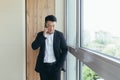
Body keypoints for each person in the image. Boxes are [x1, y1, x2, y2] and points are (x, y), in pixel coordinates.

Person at [31, 15, 68, 80]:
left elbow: (65, 50)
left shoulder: (59, 35)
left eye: (53, 25)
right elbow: (34, 47)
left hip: (55, 66)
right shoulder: (40, 35)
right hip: (43, 67)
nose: (52, 28)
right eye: (49, 25)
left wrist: (60, 65)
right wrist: (43, 36)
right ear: (45, 25)